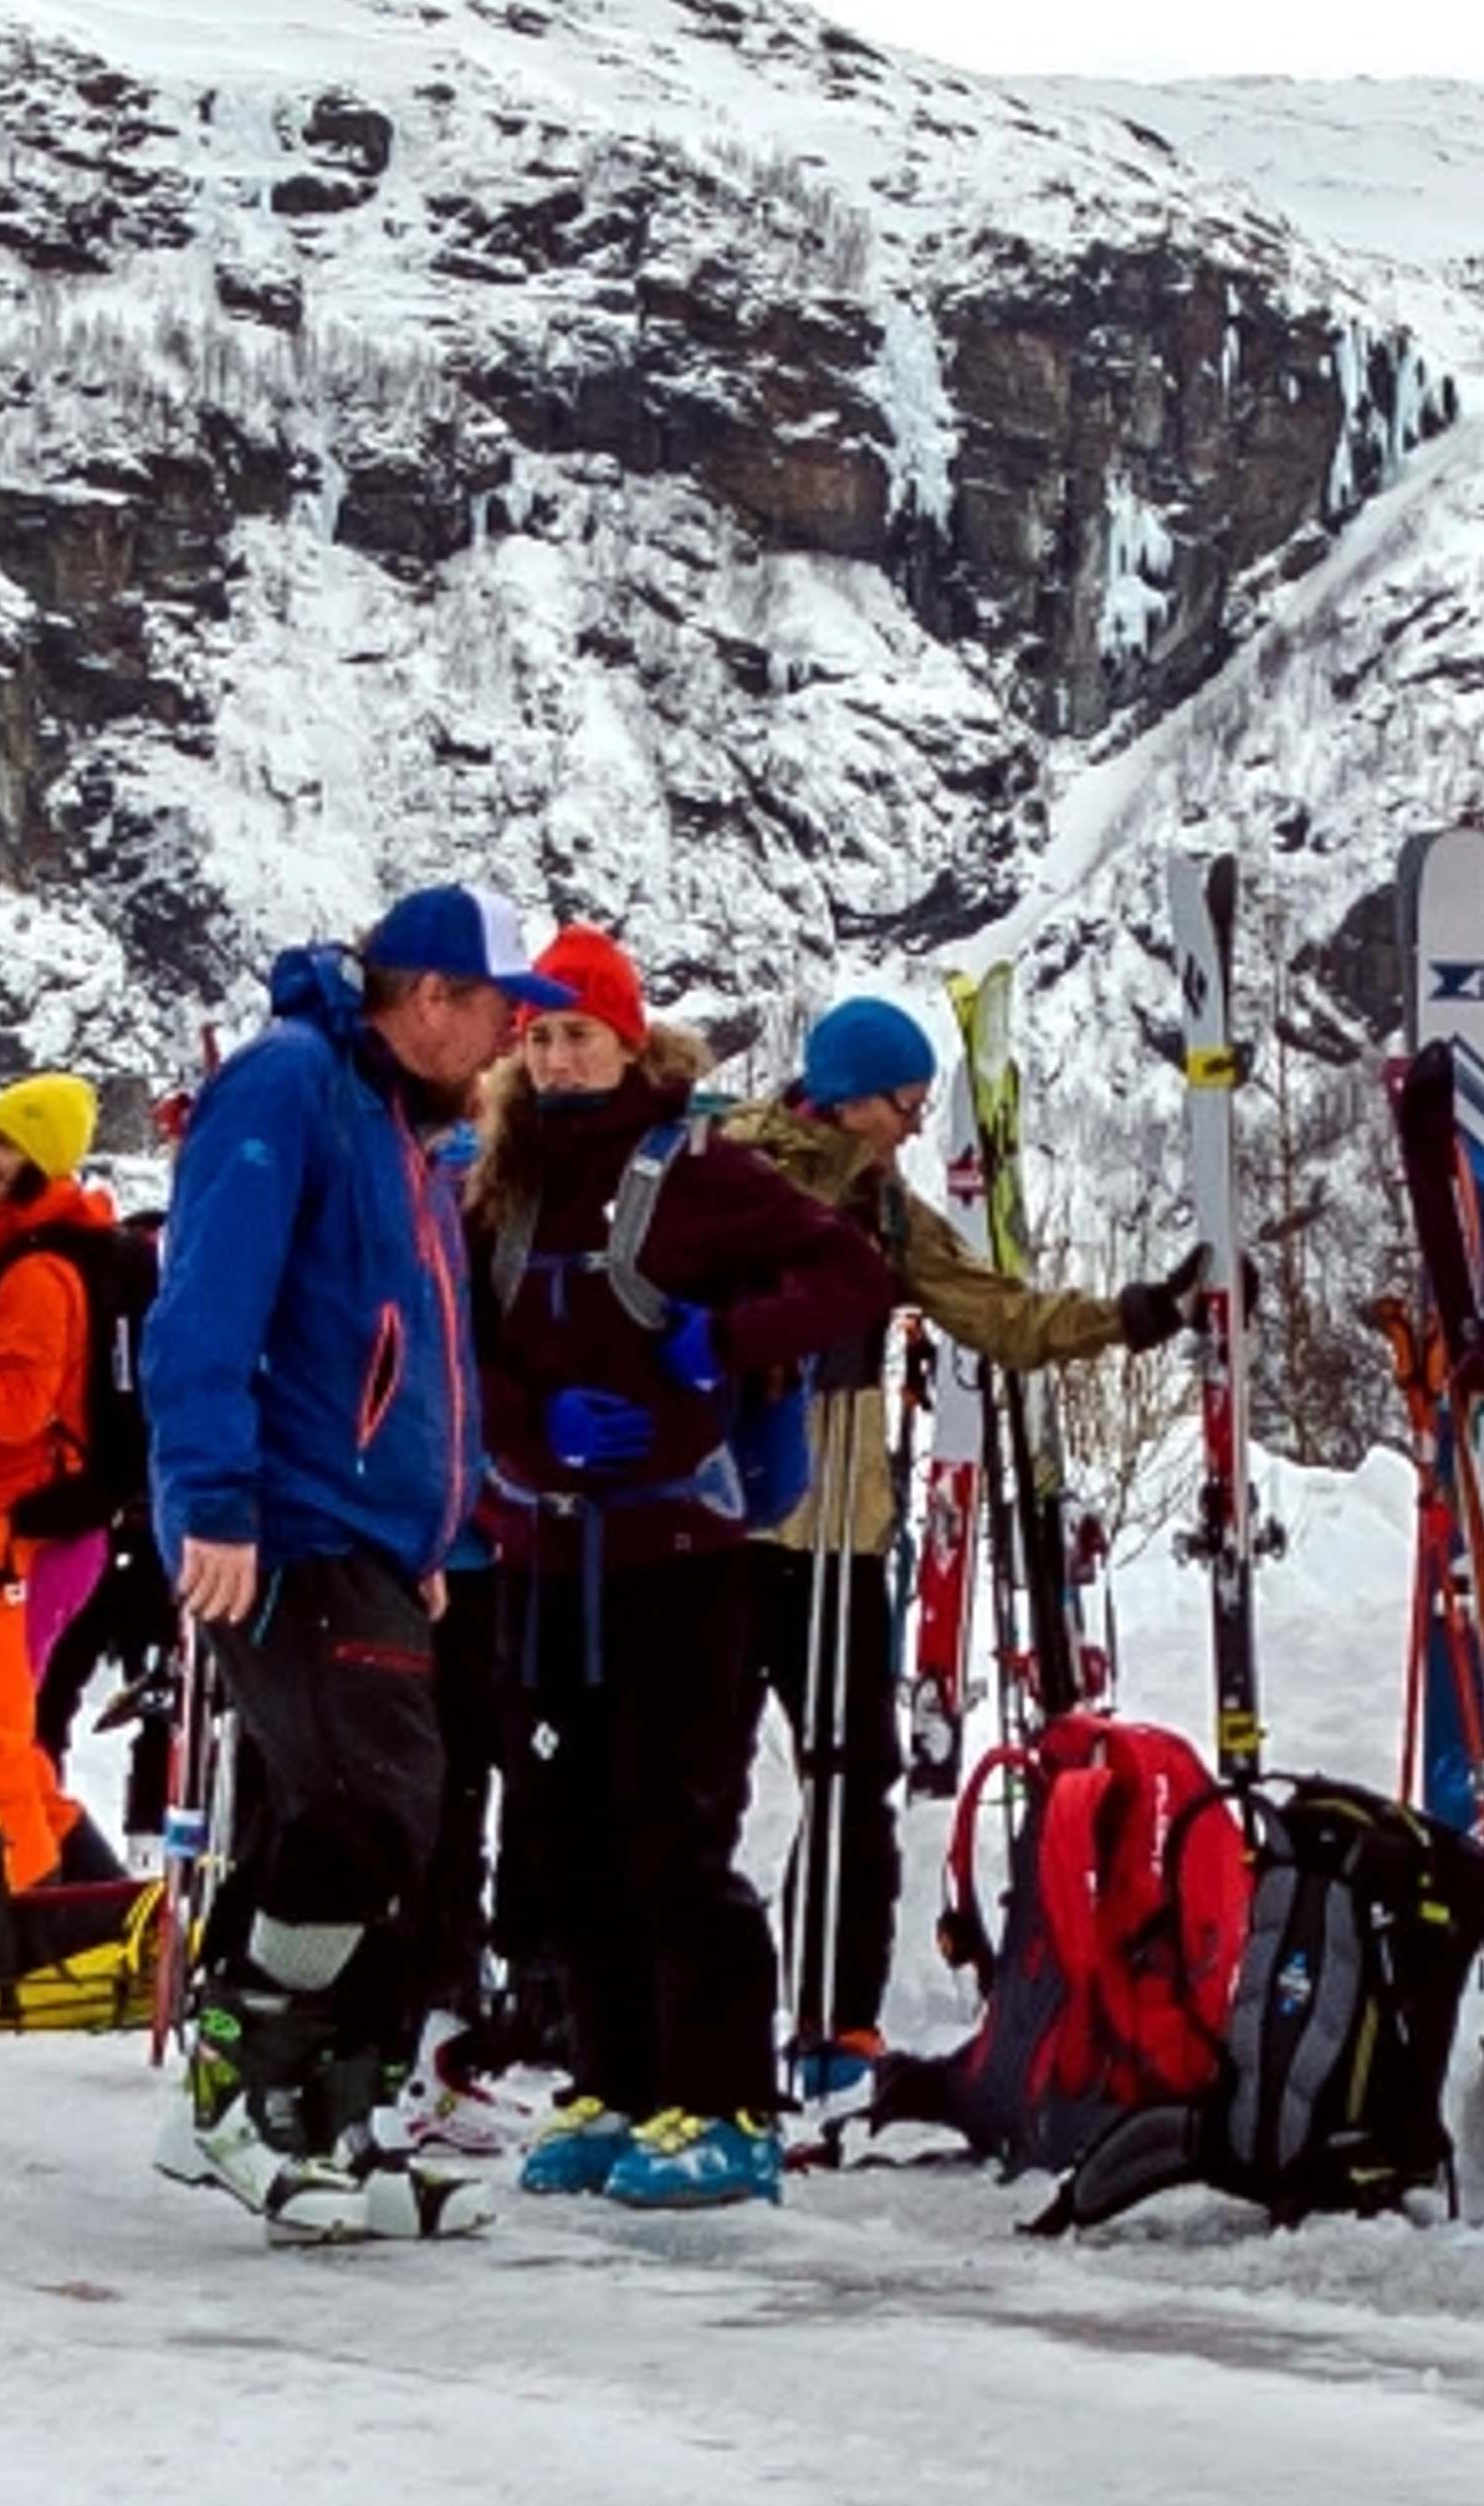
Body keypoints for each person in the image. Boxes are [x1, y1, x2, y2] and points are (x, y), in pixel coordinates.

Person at [139, 884, 558, 2238]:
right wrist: (213, 1498)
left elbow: (422, 1352)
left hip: (370, 1526)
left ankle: (338, 2098)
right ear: (429, 996)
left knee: (373, 1815)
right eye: (500, 1008)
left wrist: (434, 1531)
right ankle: (240, 2078)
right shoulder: (289, 1089)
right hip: (284, 1518)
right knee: (371, 1801)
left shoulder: (403, 1127)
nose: (510, 1040)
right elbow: (209, 1300)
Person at [465, 927, 896, 2213]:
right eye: (536, 1034)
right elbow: (466, 1345)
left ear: (630, 1037)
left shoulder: (694, 1169)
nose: (554, 1057)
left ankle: (724, 2103)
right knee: (568, 1831)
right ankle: (617, 2078)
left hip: (679, 1556)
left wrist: (727, 1341)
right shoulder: (502, 1179)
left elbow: (853, 1274)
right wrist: (530, 1430)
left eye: (577, 1031)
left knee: (676, 1825)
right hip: (548, 1549)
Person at [729, 992, 1205, 2094]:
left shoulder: (883, 1209)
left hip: (833, 1531)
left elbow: (993, 1313)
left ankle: (833, 2025)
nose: (912, 1122)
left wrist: (1132, 1315)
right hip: (736, 1524)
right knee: (710, 1788)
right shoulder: (738, 1182)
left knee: (850, 1774)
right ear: (851, 1097)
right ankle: (707, 2030)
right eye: (904, 1101)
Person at [0, 1075, 134, 1921]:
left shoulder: (38, 1272)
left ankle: (25, 1907)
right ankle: (88, 1901)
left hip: (28, 1526)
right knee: (1, 1733)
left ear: (42, 1158)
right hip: (7, 1526)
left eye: (5, 1142)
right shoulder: (9, 1260)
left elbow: (17, 1409)